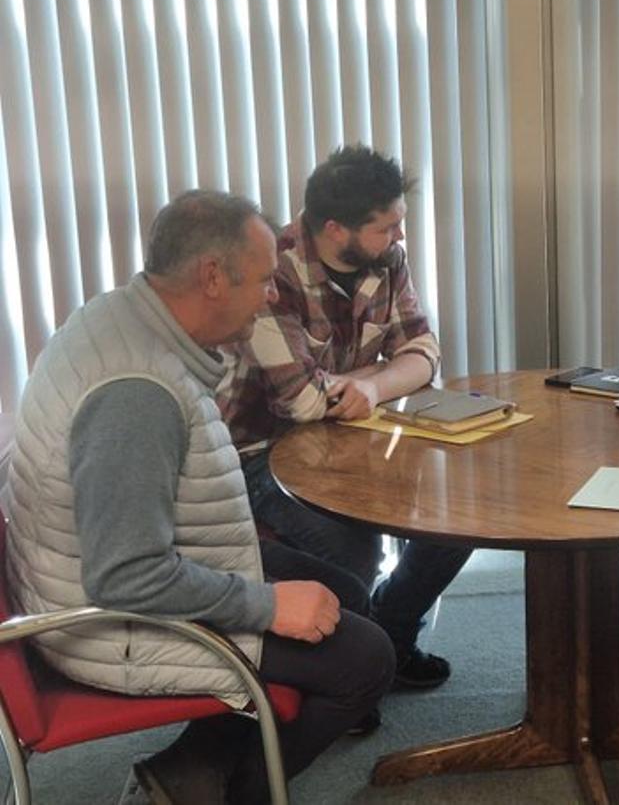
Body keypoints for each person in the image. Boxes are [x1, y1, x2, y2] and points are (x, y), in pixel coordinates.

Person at [1, 191, 395, 804]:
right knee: (366, 661)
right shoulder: (135, 395)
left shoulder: (116, 318)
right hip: (108, 626)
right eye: (264, 279)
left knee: (345, 593)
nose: (272, 295)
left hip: (90, 576)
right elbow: (125, 576)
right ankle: (235, 794)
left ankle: (188, 769)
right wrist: (266, 607)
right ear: (212, 276)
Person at [219, 144, 470, 688]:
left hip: (359, 434)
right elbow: (303, 403)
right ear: (336, 229)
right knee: (350, 551)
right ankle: (351, 676)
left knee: (461, 517)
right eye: (387, 227)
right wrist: (376, 378)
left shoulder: (384, 258)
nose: (400, 238)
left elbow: (425, 354)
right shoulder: (273, 270)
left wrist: (372, 384)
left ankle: (390, 637)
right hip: (263, 451)